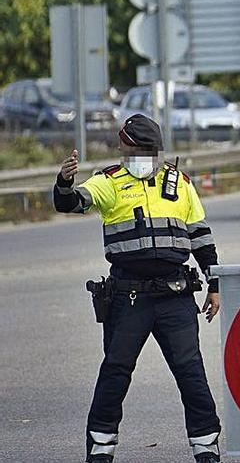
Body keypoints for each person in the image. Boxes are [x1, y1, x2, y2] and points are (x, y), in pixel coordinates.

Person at [53, 114, 222, 463]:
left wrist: (214, 284)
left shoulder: (180, 183)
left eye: (130, 147)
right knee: (115, 371)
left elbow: (201, 238)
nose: (124, 151)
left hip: (176, 296)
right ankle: (101, 449)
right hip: (129, 297)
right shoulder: (109, 182)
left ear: (149, 149)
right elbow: (71, 203)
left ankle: (206, 447)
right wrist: (64, 183)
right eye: (124, 146)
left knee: (191, 373)